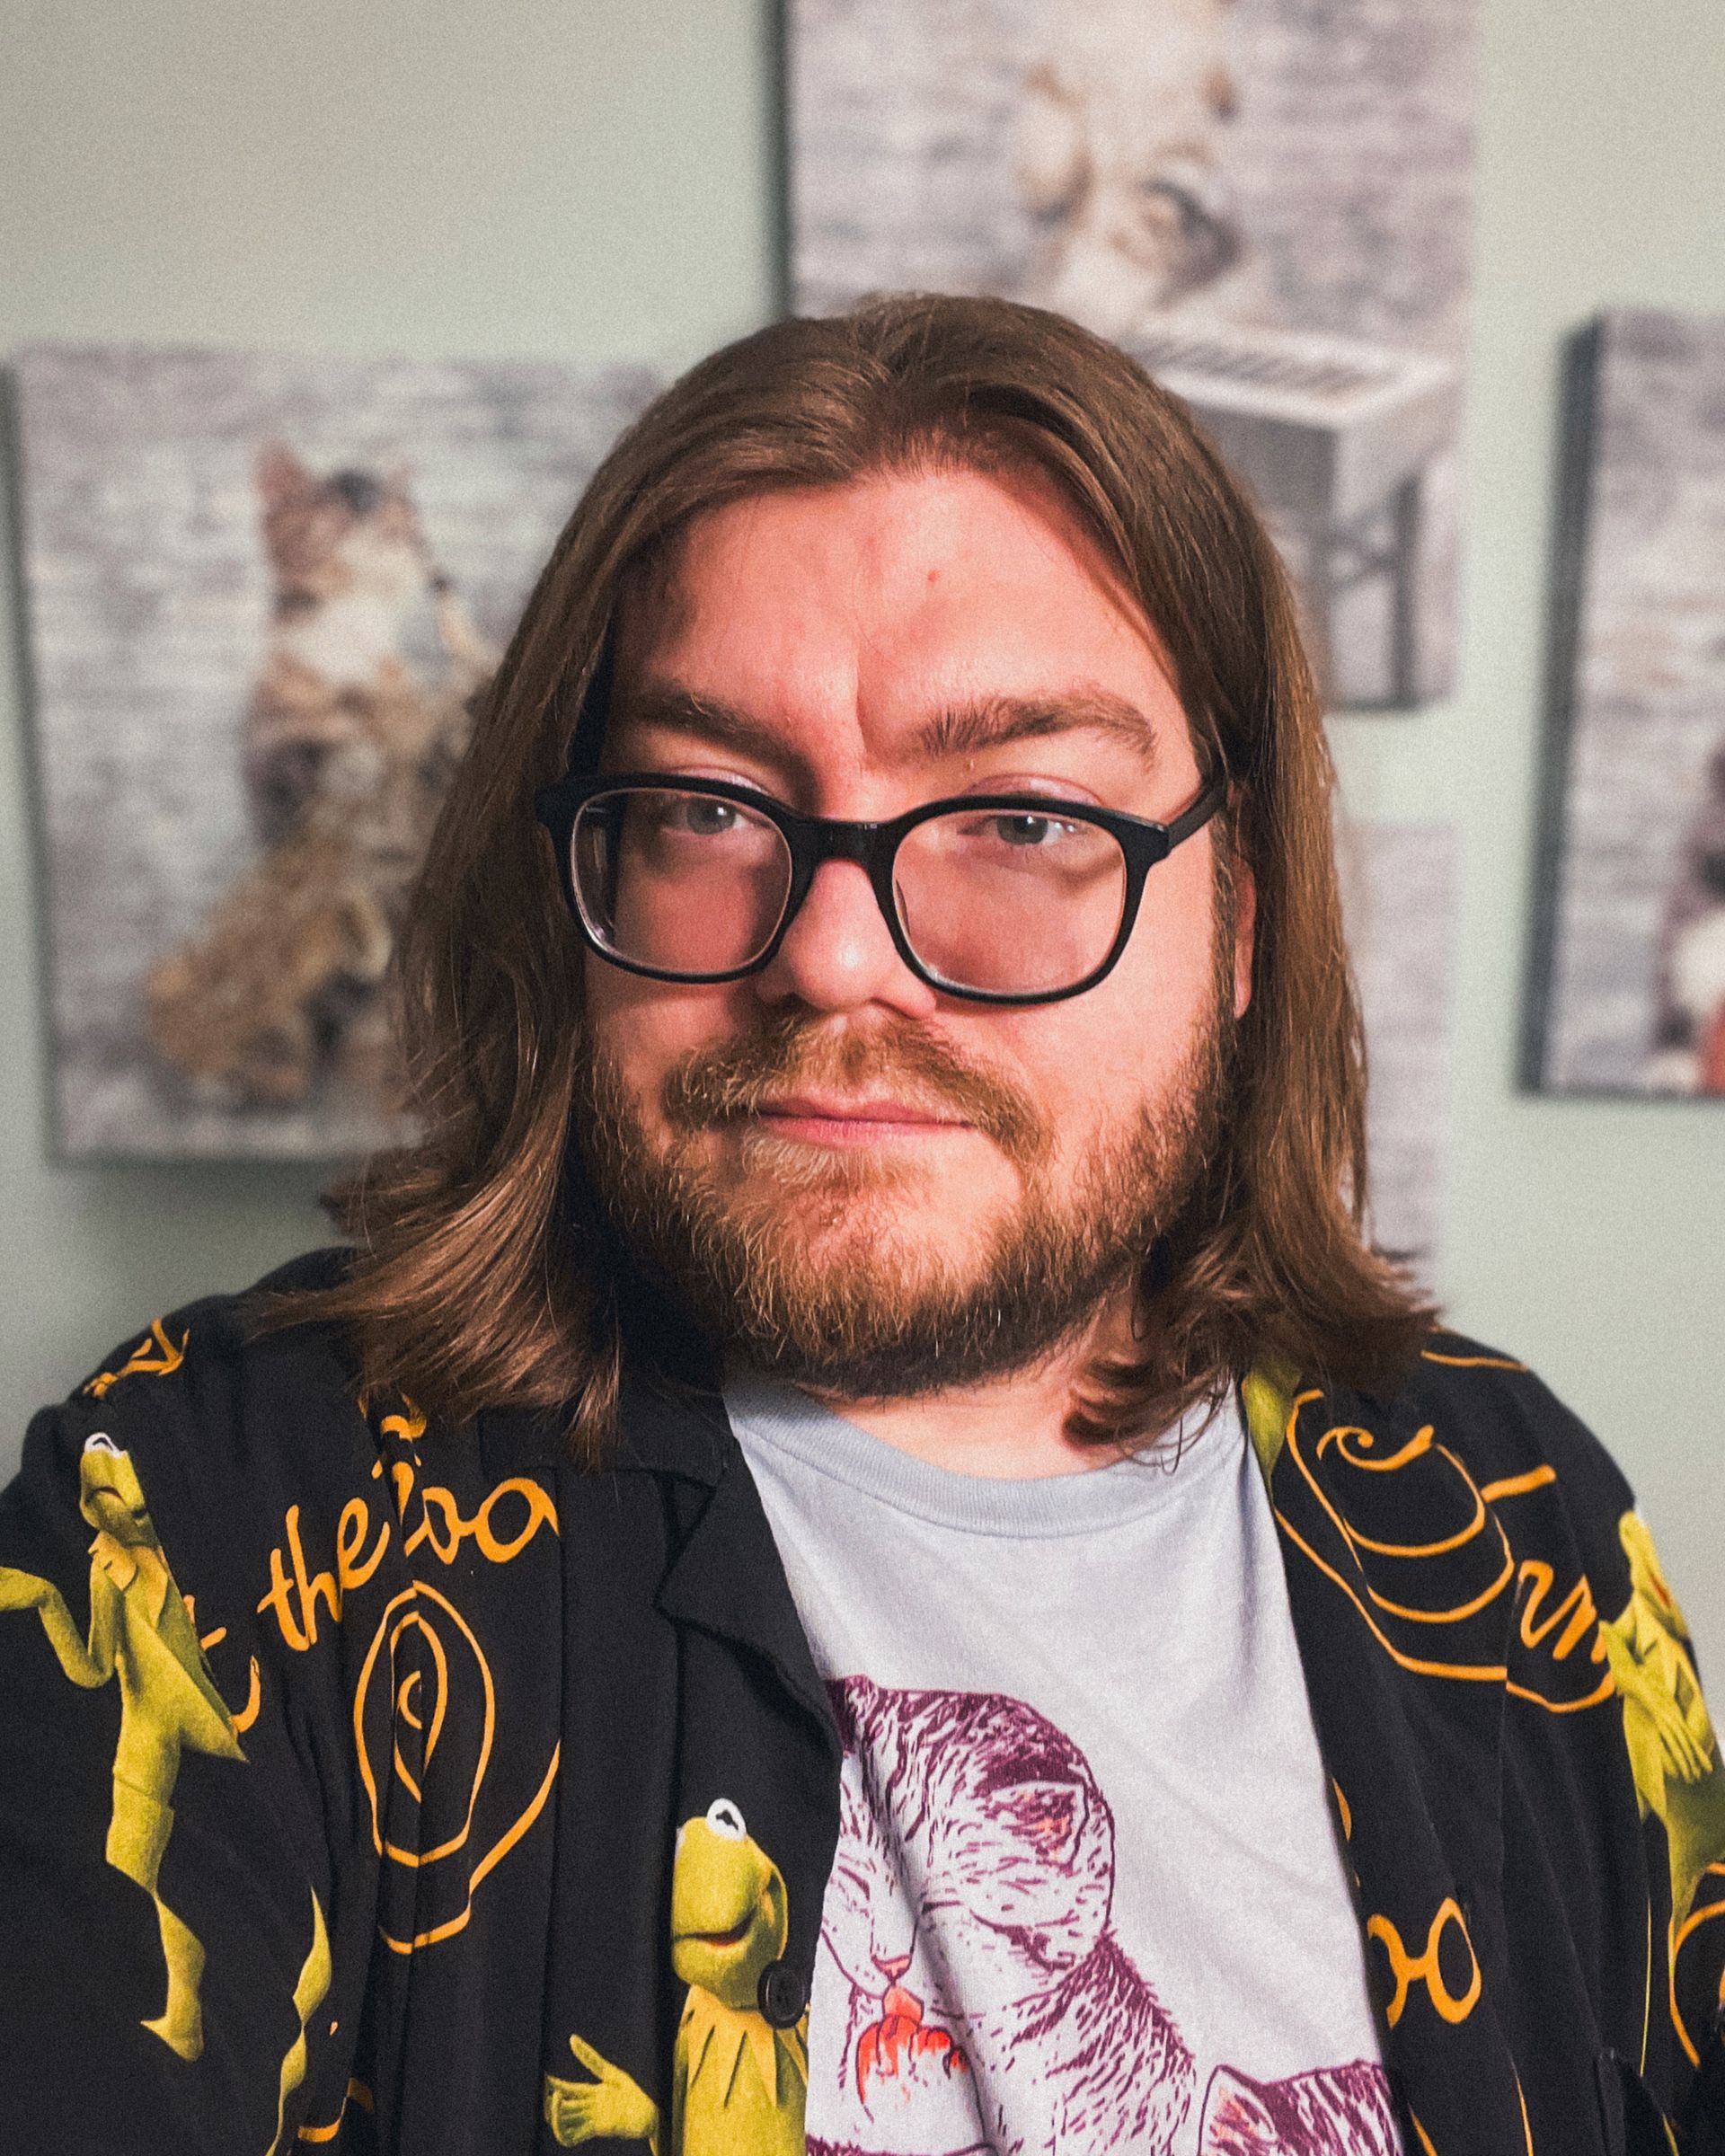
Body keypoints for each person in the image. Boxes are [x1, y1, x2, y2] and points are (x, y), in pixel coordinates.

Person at [0, 295, 1719, 2156]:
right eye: (705, 806)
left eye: (1024, 818)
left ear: (1239, 921)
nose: (829, 953)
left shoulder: (1512, 1513)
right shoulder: (215, 1521)